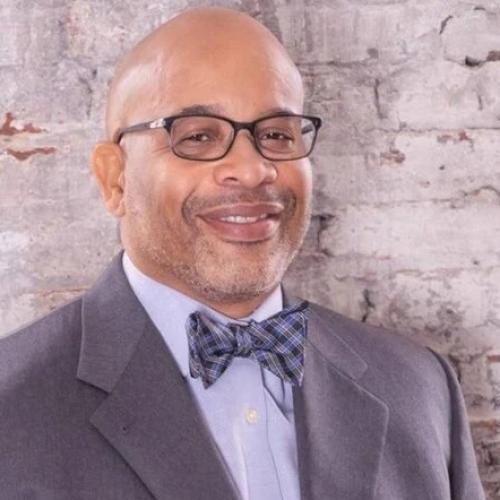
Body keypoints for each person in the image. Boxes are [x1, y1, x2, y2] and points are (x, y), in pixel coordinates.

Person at [0, 6, 485, 500]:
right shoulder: (10, 410)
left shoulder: (419, 387)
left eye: (276, 134)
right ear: (115, 180)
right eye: (197, 136)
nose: (253, 170)